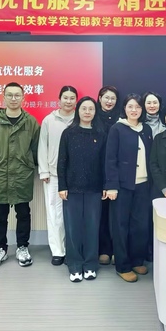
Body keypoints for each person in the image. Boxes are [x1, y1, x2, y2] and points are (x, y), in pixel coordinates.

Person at [0, 82, 40, 270]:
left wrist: (27, 163)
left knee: (23, 213)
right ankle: (0, 249)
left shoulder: (31, 122)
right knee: (0, 215)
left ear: (23, 98)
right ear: (3, 97)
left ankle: (23, 247)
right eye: (10, 95)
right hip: (1, 174)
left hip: (22, 174)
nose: (13, 99)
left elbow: (35, 148)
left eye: (17, 95)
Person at [57, 96, 107, 282]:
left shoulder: (101, 134)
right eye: (84, 108)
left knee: (92, 227)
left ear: (95, 112)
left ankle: (90, 264)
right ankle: (75, 264)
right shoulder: (68, 133)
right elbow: (62, 161)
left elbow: (105, 163)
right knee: (73, 228)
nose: (87, 112)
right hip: (72, 189)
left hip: (94, 188)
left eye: (91, 109)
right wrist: (62, 185)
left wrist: (105, 185)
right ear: (78, 111)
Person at [105, 94, 153, 283]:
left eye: (138, 107)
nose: (134, 110)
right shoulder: (117, 129)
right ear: (124, 108)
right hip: (122, 186)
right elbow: (110, 159)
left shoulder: (146, 129)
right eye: (130, 106)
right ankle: (122, 266)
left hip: (143, 185)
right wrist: (111, 185)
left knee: (140, 225)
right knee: (120, 226)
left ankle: (136, 260)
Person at [38, 85, 77, 266]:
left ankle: (72, 249)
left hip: (76, 176)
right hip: (53, 175)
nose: (68, 101)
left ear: (76, 101)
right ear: (59, 100)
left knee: (74, 215)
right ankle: (58, 251)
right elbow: (42, 146)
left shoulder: (80, 119)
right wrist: (44, 170)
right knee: (54, 214)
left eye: (72, 98)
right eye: (65, 98)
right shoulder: (49, 120)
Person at [95, 85, 120, 266]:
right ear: (100, 98)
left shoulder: (121, 119)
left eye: (113, 98)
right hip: (97, 171)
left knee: (117, 214)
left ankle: (117, 249)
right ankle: (104, 249)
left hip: (117, 171)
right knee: (101, 213)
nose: (109, 101)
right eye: (106, 98)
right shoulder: (93, 117)